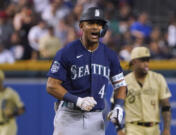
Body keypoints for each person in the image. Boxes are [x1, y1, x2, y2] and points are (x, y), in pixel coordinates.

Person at [46, 6, 127, 135]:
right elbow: (51, 85)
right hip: (69, 116)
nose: (95, 27)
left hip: (96, 118)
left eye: (99, 24)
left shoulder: (109, 55)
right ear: (81, 26)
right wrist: (78, 100)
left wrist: (118, 106)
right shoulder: (67, 52)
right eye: (91, 23)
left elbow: (121, 85)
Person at [117, 46, 172, 135]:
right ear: (134, 62)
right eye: (143, 60)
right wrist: (119, 129)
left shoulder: (158, 78)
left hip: (154, 129)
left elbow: (166, 106)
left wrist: (166, 129)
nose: (146, 63)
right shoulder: (124, 82)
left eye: (147, 60)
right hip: (133, 129)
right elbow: (115, 106)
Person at [0, 70, 25, 135]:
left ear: (2, 80)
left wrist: (12, 113)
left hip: (8, 125)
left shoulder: (10, 93)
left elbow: (22, 109)